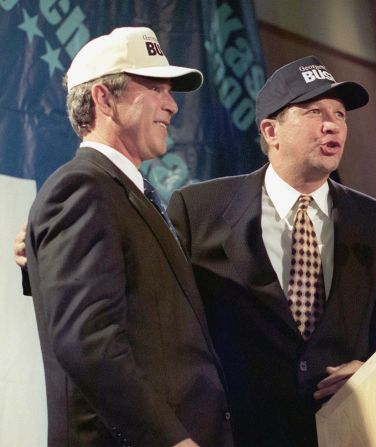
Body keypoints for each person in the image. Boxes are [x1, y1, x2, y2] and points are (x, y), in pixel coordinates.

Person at [166, 56, 376, 447]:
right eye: (314, 111)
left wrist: (372, 368)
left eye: (339, 114)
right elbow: (165, 320)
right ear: (270, 130)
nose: (332, 124)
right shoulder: (199, 210)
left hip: (345, 432)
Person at [22, 27, 233, 447]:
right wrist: (171, 439)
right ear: (104, 99)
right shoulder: (82, 189)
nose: (171, 105)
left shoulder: (124, 192)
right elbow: (87, 341)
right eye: (155, 88)